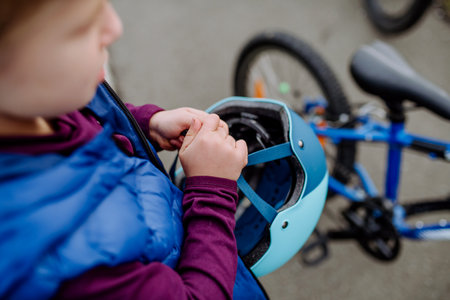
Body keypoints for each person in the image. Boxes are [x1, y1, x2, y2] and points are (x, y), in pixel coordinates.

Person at [0, 0, 267, 299]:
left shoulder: (27, 107)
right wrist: (212, 189)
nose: (115, 27)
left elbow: (86, 113)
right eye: (80, 28)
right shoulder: (69, 266)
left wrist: (144, 124)